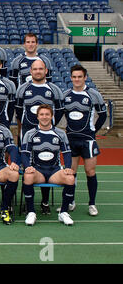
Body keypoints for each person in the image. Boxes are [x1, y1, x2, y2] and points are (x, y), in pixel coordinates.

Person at [15, 59, 64, 214]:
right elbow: (18, 111)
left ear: (46, 71)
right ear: (30, 71)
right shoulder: (22, 89)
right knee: (27, 167)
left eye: (40, 69)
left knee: (47, 162)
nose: (37, 71)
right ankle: (27, 203)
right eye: (35, 69)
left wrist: (50, 124)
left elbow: (60, 110)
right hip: (27, 133)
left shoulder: (54, 89)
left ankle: (44, 202)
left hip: (47, 133)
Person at [62, 65, 107, 216]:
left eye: (79, 76)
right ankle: (71, 202)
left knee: (90, 171)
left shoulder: (93, 94)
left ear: (85, 77)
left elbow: (103, 115)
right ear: (71, 77)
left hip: (88, 140)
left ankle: (92, 203)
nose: (77, 79)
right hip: (71, 139)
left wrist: (93, 130)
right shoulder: (65, 95)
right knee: (71, 173)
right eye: (74, 77)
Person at [21, 104, 75, 226]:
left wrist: (68, 167)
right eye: (42, 114)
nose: (44, 117)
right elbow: (24, 153)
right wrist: (27, 166)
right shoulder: (30, 133)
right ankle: (31, 212)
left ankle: (64, 212)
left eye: (47, 114)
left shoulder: (60, 133)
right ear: (38, 117)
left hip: (54, 170)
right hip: (38, 170)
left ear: (51, 116)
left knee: (70, 178)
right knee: (28, 176)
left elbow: (66, 152)